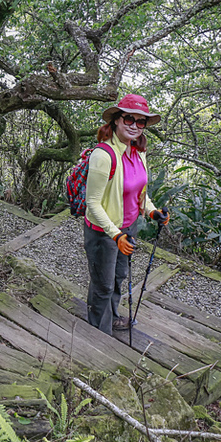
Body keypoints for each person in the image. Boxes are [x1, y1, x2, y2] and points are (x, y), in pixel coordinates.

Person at [83, 93, 170, 334]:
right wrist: (115, 235)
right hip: (105, 232)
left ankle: (109, 317)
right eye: (128, 119)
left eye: (140, 121)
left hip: (128, 227)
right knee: (103, 283)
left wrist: (152, 212)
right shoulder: (103, 155)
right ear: (116, 121)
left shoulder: (138, 151)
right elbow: (93, 203)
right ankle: (98, 334)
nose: (134, 125)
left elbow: (140, 192)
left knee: (118, 276)